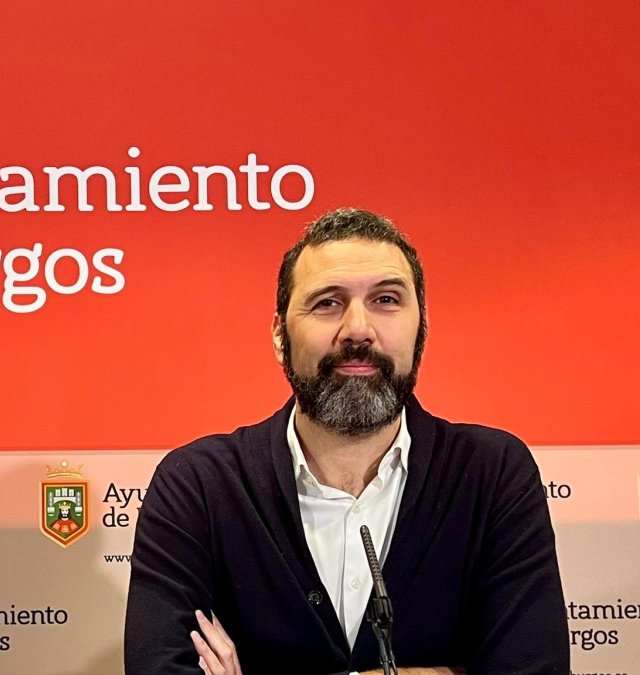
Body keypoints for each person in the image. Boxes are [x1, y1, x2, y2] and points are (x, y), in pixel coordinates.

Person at [124, 208, 568, 674]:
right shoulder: (198, 484)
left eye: (387, 300)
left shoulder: (492, 473)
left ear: (423, 328)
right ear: (280, 335)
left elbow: (534, 668)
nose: (358, 329)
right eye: (327, 304)